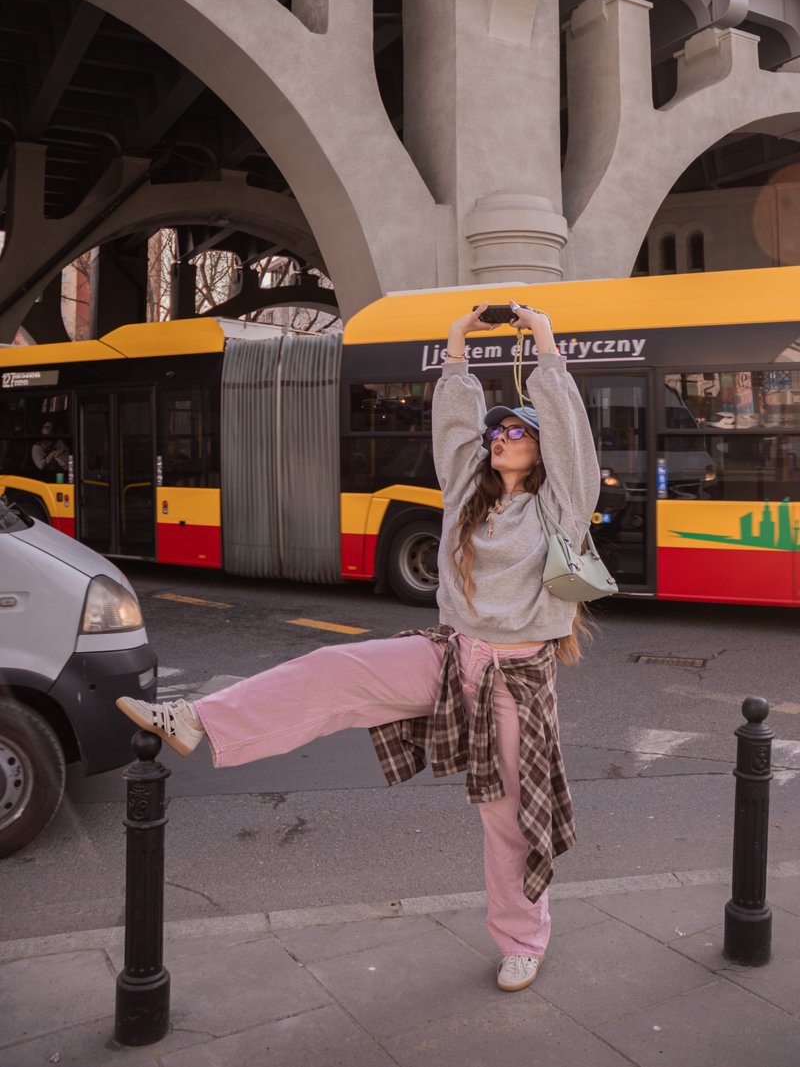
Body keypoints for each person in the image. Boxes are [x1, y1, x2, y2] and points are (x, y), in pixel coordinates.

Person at [117, 300, 601, 994]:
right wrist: (456, 346)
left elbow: (572, 437)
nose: (502, 436)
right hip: (451, 656)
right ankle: (199, 720)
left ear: (542, 447)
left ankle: (523, 941)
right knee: (334, 667)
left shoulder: (559, 507)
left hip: (518, 681)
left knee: (508, 824)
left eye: (518, 430)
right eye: (498, 430)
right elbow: (454, 429)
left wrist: (545, 342)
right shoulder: (467, 497)